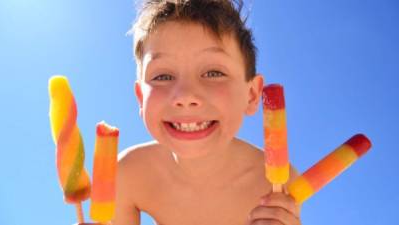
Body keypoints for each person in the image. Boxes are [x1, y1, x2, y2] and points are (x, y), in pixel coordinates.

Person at [114, 0, 302, 224]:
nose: (185, 96)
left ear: (251, 95)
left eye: (213, 73)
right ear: (141, 99)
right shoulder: (128, 173)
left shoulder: (276, 188)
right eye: (162, 76)